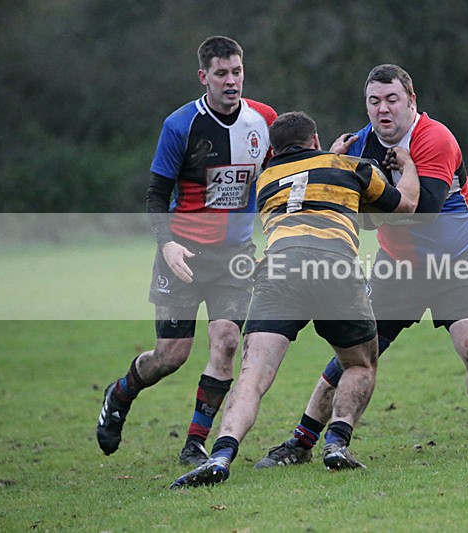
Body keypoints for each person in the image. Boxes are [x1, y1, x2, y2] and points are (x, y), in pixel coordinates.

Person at [254, 64, 468, 470]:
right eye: (374, 101)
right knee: (353, 355)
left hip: (458, 263)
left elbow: (422, 212)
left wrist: (365, 203)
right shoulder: (357, 146)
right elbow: (335, 207)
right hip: (397, 268)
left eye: (392, 99)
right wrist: (330, 165)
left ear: (412, 100)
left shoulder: (435, 138)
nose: (383, 109)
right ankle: (300, 442)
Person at [169, 110, 420, 487]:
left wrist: (330, 160)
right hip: (333, 267)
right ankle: (336, 442)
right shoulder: (350, 166)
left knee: (253, 374)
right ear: (315, 139)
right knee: (359, 363)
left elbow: (308, 184)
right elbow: (405, 207)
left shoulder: (266, 179)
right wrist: (408, 163)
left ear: (274, 149)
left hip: (279, 269)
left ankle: (220, 454)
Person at [96, 36, 277, 466]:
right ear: (204, 77)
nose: (231, 81)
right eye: (221, 74)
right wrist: (169, 244)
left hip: (234, 255)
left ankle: (195, 442)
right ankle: (120, 393)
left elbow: (277, 179)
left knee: (228, 341)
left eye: (236, 72)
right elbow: (156, 195)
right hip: (184, 254)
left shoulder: (263, 120)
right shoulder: (181, 125)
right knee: (170, 356)